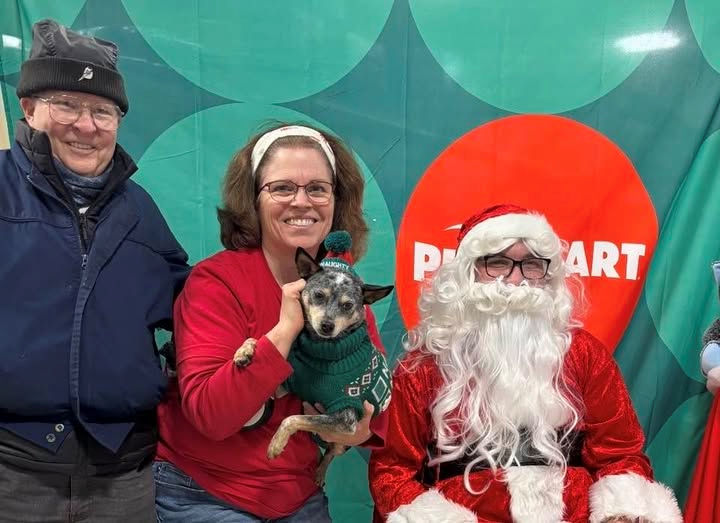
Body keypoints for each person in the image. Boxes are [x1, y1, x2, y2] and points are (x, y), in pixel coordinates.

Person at [369, 204, 683, 523]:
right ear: (468, 272)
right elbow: (392, 471)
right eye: (498, 263)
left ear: (548, 275)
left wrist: (620, 510)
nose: (516, 279)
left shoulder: (584, 353)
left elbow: (620, 453)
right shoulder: (425, 365)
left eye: (532, 264)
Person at [0, 19, 189, 522]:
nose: (86, 125)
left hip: (123, 475)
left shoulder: (141, 211)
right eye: (67, 104)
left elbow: (193, 311)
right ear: (29, 108)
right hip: (12, 471)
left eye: (102, 111)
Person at [154, 123, 389, 521]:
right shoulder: (216, 282)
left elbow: (374, 409)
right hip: (204, 490)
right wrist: (284, 331)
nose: (302, 202)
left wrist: (360, 428)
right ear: (253, 200)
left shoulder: (344, 293)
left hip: (297, 495)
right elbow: (212, 417)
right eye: (282, 188)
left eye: (318, 189)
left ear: (337, 201)